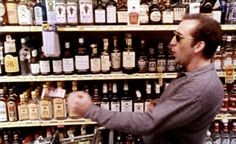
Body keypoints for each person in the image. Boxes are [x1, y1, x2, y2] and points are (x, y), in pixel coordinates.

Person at [67, 13, 224, 144]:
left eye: (178, 37)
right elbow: (185, 111)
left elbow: (147, 123)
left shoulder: (199, 88)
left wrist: (89, 110)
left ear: (198, 46)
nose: (171, 42)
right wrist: (162, 105)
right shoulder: (193, 74)